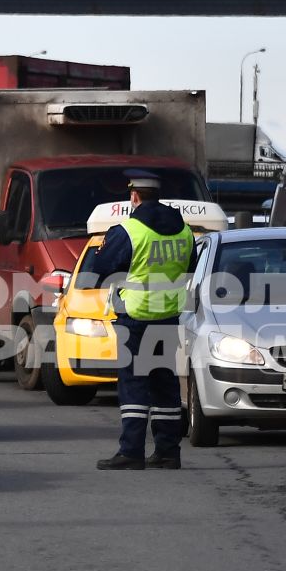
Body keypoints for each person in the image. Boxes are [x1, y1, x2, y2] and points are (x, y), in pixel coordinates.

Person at [87, 172, 194, 470]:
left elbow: (99, 270)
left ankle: (131, 452)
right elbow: (190, 269)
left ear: (134, 196)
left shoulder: (129, 231)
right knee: (165, 385)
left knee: (134, 385)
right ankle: (168, 452)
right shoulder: (184, 231)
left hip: (134, 317)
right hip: (168, 317)